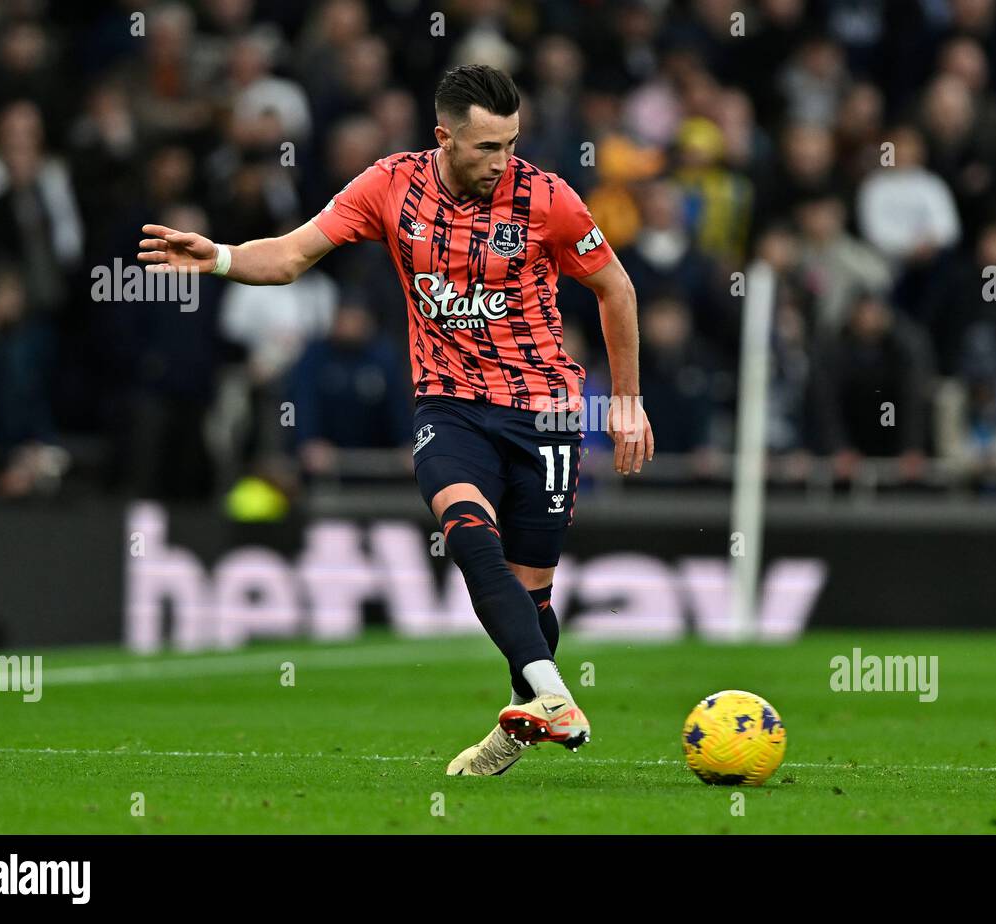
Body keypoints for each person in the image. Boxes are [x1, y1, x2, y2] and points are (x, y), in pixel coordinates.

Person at [138, 64, 654, 776]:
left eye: (511, 144)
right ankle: (556, 695)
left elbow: (616, 289)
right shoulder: (389, 185)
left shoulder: (547, 200)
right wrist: (221, 256)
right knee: (466, 528)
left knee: (531, 593)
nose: (502, 162)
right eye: (486, 148)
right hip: (450, 404)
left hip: (545, 410)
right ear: (444, 137)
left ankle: (524, 713)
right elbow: (290, 256)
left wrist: (623, 403)